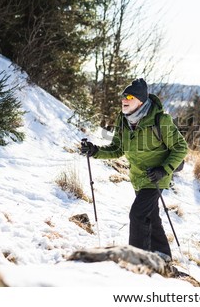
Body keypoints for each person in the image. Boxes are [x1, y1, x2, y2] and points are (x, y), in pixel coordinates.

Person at [80, 78, 188, 260]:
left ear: (141, 101)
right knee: (151, 216)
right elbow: (117, 148)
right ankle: (163, 255)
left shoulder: (161, 120)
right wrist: (95, 151)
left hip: (157, 176)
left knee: (137, 214)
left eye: (129, 96)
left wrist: (163, 169)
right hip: (138, 176)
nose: (124, 99)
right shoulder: (122, 120)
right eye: (123, 95)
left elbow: (181, 148)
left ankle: (136, 260)